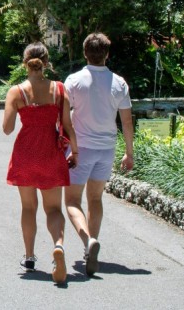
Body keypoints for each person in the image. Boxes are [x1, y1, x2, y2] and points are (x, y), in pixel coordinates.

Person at [3, 42, 78, 284]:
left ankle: (29, 257)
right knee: (54, 209)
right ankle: (58, 246)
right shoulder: (59, 89)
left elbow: (7, 129)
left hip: (25, 155)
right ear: (46, 62)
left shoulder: (17, 91)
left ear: (25, 62)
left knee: (28, 208)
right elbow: (68, 125)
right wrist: (74, 151)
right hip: (51, 155)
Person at [63, 32, 134, 277]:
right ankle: (92, 241)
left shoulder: (73, 81)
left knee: (72, 201)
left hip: (80, 149)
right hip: (106, 149)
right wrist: (129, 153)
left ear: (85, 53)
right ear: (107, 54)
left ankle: (87, 242)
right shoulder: (119, 83)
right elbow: (126, 122)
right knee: (96, 199)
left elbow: (62, 117)